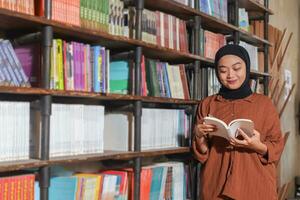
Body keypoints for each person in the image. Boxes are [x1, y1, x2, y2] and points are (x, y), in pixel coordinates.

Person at [192, 44, 284, 200]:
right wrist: (199, 136)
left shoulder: (264, 104)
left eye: (236, 68)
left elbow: (277, 146)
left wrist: (258, 146)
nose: (230, 75)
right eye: (223, 70)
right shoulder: (208, 104)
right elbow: (202, 156)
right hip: (216, 186)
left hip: (255, 186)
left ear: (246, 68)